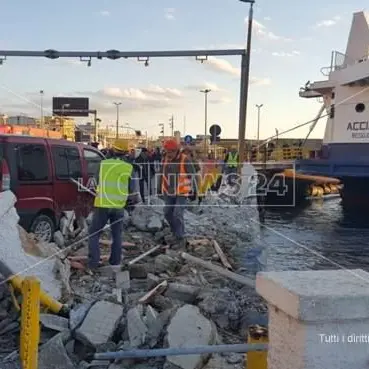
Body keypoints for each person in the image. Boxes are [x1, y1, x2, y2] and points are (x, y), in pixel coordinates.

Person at [87, 139, 139, 271]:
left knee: (94, 234)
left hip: (103, 205)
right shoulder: (129, 168)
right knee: (117, 235)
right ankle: (115, 262)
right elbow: (132, 190)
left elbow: (96, 182)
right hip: (118, 207)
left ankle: (94, 262)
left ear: (113, 150)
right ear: (126, 152)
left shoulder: (103, 164)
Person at [160, 139, 197, 248]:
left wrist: (194, 190)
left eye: (170, 151)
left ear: (176, 150)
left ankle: (180, 237)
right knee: (167, 213)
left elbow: (193, 175)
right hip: (169, 192)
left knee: (177, 213)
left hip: (182, 192)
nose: (168, 154)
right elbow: (162, 174)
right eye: (167, 151)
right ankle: (174, 232)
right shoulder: (165, 159)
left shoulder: (185, 160)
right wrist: (159, 188)